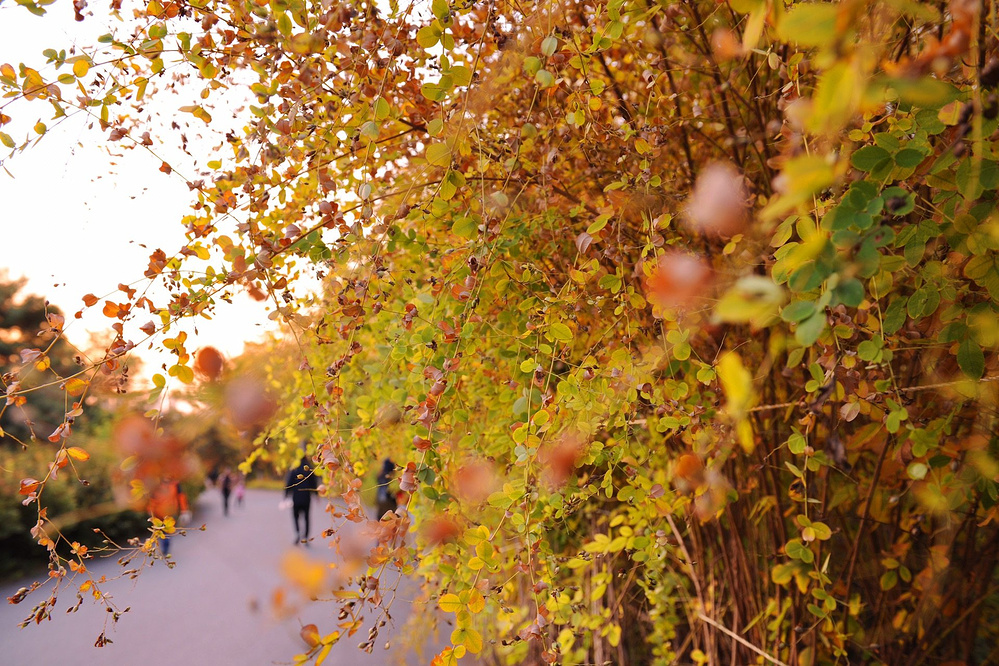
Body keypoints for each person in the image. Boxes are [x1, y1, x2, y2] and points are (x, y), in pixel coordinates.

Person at [147, 478, 190, 557]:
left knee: (166, 532)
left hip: (169, 513)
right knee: (160, 532)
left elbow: (181, 497)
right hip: (158, 513)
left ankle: (165, 549)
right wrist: (150, 509)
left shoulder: (176, 484)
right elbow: (152, 498)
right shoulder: (156, 483)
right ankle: (164, 548)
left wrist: (184, 511)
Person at [285, 455, 318, 545]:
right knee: (306, 518)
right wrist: (316, 495)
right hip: (306, 498)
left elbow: (289, 482)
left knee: (296, 516)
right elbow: (314, 483)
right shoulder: (309, 468)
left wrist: (286, 494)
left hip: (296, 498)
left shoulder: (294, 468)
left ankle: (297, 532)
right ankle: (306, 536)